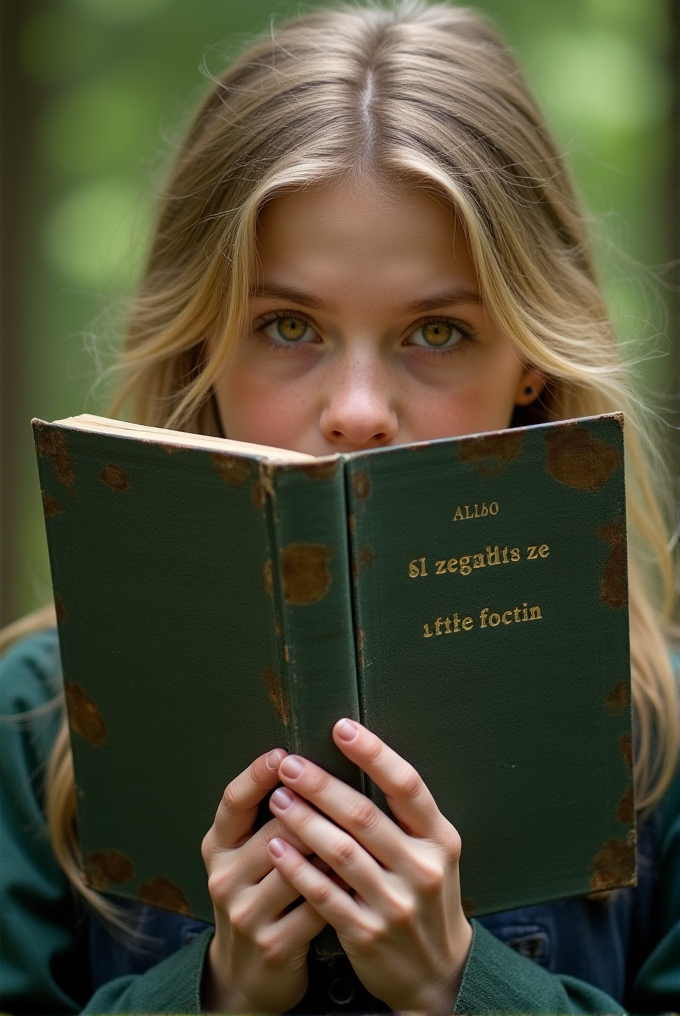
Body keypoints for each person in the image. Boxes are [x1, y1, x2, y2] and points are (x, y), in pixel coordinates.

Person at [1, 2, 678, 1013]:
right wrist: (218, 991)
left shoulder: (660, 736)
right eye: (287, 323)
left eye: (436, 332)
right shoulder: (33, 716)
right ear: (204, 346)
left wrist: (461, 982)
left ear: (530, 361)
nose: (357, 411)